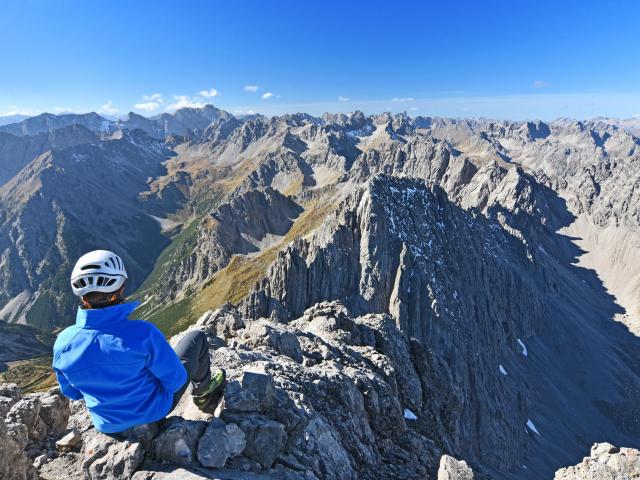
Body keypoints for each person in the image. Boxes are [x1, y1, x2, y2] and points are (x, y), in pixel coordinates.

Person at [52, 250, 225, 435]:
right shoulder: (144, 333)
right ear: (119, 290)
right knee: (196, 338)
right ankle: (204, 396)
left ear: (82, 296)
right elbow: (176, 381)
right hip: (154, 411)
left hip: (106, 423)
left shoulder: (63, 343)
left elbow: (72, 392)